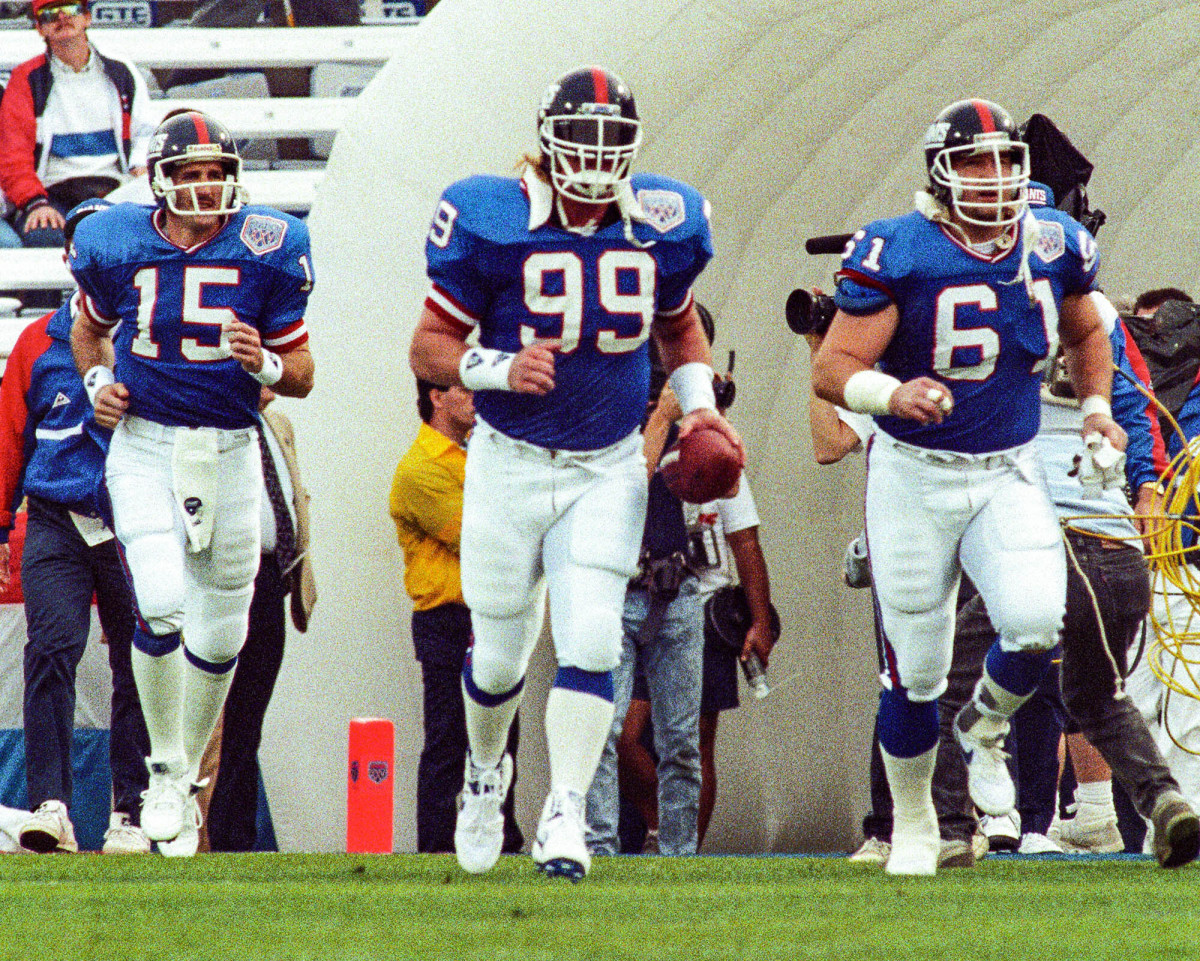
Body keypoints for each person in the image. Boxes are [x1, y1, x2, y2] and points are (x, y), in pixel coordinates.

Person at [409, 65, 737, 880]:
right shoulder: (493, 216)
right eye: (579, 137)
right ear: (547, 139)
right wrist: (495, 366)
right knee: (497, 658)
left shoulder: (663, 221)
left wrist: (698, 405)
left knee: (591, 635)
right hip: (510, 463)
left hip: (606, 465)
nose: (594, 155)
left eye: (610, 139)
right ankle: (487, 777)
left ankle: (564, 810)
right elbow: (429, 348)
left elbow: (680, 331)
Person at [812, 98, 1124, 876]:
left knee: (1034, 621)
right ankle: (914, 822)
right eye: (975, 162)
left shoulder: (1055, 241)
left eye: (1003, 161)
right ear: (941, 174)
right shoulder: (899, 248)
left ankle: (983, 729)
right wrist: (893, 395)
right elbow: (832, 367)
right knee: (915, 671)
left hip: (1007, 468)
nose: (993, 178)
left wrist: (1094, 410)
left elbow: (1088, 330)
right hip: (915, 474)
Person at [66, 109, 315, 857]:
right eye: (192, 174)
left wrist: (263, 363)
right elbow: (85, 330)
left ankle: (186, 785)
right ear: (160, 181)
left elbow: (302, 373)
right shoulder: (116, 240)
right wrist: (100, 380)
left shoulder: (271, 245)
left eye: (216, 174)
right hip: (143, 448)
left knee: (222, 631)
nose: (206, 188)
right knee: (164, 599)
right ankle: (167, 768)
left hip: (233, 449)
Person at [0, 199, 150, 855]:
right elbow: (9, 438)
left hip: (134, 519)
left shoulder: (153, 334)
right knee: (52, 649)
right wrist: (2, 525)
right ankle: (51, 806)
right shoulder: (36, 341)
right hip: (58, 518)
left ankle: (131, 809)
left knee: (141, 662)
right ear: (69, 258)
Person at [389, 378, 523, 856]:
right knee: (449, 741)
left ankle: (499, 843)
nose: (475, 398)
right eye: (463, 389)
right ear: (435, 396)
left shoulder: (475, 456)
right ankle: (437, 850)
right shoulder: (420, 469)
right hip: (448, 620)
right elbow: (484, 543)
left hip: (487, 618)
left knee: (502, 738)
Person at [205, 385, 317, 852]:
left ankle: (238, 840)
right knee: (215, 722)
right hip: (224, 577)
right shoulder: (210, 426)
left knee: (249, 719)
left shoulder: (277, 425)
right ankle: (204, 838)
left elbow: (291, 496)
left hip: (271, 581)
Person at [0, 0, 154, 249]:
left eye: (70, 9)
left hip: (114, 189)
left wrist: (139, 163)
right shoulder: (27, 79)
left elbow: (146, 130)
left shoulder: (121, 71)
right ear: (39, 28)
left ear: (87, 18)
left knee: (142, 232)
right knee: (43, 234)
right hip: (53, 194)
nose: (62, 18)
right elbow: (12, 155)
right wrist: (35, 202)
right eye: (50, 14)